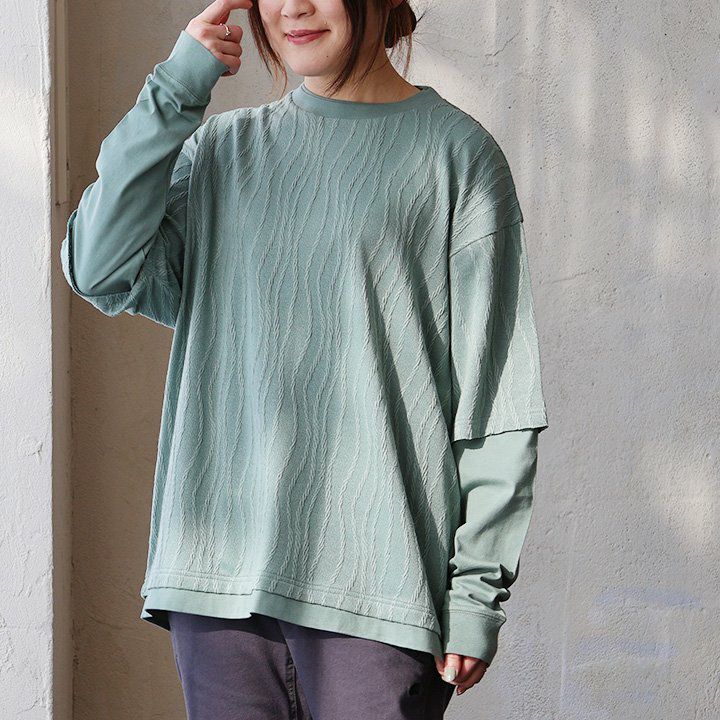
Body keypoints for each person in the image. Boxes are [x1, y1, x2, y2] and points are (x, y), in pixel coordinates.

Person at [60, 0, 550, 717]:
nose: (292, 7)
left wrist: (477, 591)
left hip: (379, 593)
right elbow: (97, 265)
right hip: (217, 586)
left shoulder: (457, 155)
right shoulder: (222, 152)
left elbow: (497, 394)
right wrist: (176, 88)